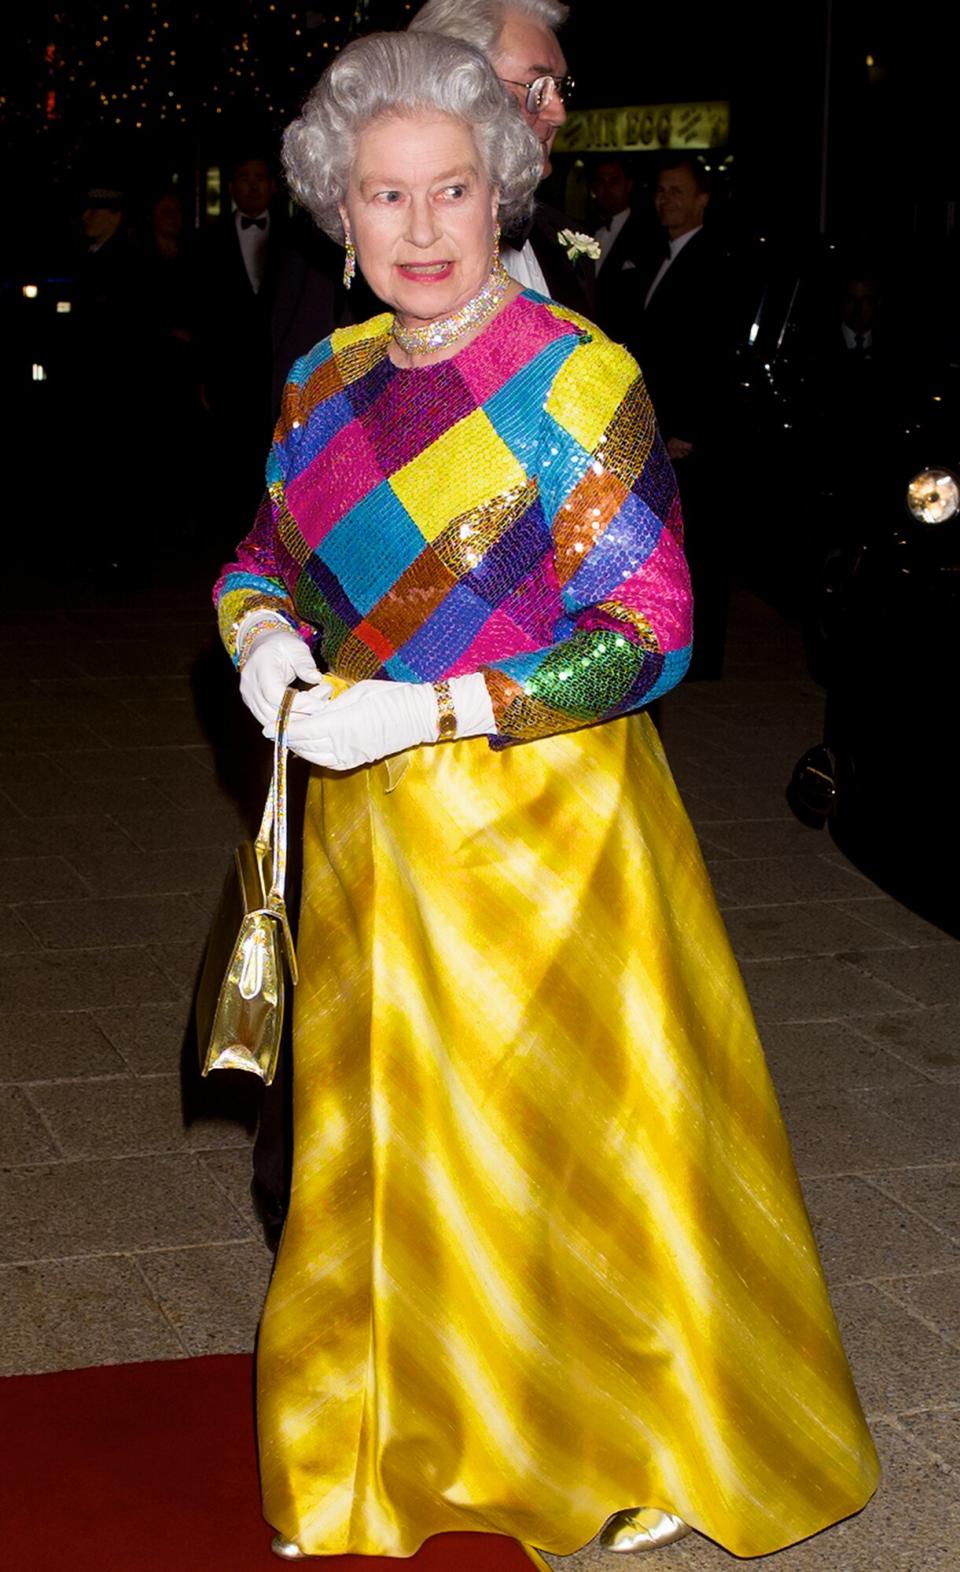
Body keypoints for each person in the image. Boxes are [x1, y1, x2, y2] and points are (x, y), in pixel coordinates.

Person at [213, 30, 879, 1565]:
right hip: (375, 840)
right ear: (339, 207)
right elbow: (266, 560)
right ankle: (400, 1433)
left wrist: (438, 704)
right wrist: (257, 640)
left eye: (454, 189)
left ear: (503, 188)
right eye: (386, 198)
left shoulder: (583, 377)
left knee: (578, 1148)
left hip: (553, 832)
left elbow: (654, 636)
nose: (424, 230)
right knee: (396, 1148)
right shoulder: (325, 377)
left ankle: (631, 1433)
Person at [410, 0, 594, 314]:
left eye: (560, 88)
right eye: (537, 88)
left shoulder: (558, 237)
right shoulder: (374, 261)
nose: (558, 113)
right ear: (451, 90)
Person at [635, 157, 733, 679]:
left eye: (677, 191)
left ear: (703, 200)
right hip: (663, 425)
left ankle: (698, 655)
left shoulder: (711, 261)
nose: (664, 199)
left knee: (699, 545)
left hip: (686, 435)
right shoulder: (663, 257)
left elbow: (709, 353)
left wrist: (686, 428)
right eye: (660, 191)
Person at [591, 155, 647, 346]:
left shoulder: (645, 234)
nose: (606, 189)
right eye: (600, 181)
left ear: (629, 185)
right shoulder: (583, 229)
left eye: (614, 181)